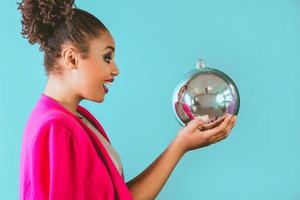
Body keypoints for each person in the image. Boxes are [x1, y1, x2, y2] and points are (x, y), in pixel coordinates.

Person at [18, 0, 238, 199]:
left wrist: (181, 145)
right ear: (71, 57)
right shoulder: (56, 127)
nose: (115, 70)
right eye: (107, 57)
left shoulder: (77, 118)